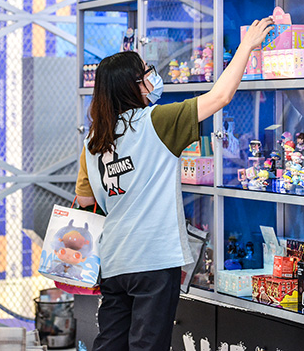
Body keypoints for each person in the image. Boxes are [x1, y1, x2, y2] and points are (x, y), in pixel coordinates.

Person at [74, 18, 274, 351]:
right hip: (153, 259)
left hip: (114, 260)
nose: (151, 77)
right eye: (146, 72)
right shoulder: (156, 121)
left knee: (110, 343)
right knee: (148, 345)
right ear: (134, 86)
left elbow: (84, 200)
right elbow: (220, 96)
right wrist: (246, 46)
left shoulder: (93, 139)